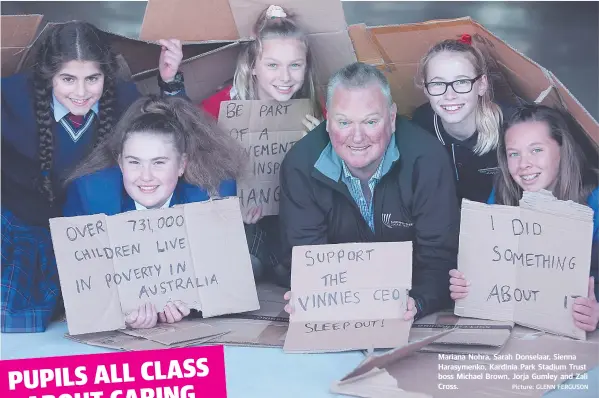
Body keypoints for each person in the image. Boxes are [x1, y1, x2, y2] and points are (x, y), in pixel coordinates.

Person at [1, 21, 185, 333]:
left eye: (93, 79)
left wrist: (170, 83)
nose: (82, 92)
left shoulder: (126, 100)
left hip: (93, 234)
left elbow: (179, 139)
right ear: (49, 77)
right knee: (12, 310)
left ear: (106, 76)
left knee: (103, 307)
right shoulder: (12, 98)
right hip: (24, 227)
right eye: (68, 79)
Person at [280, 62, 460, 321]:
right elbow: (303, 256)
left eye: (371, 121)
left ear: (392, 118)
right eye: (344, 122)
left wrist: (418, 301)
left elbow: (440, 255)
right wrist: (310, 293)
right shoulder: (300, 166)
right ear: (328, 120)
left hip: (408, 301)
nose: (357, 136)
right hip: (337, 303)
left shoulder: (427, 160)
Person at [63, 95, 248, 328]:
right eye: (134, 162)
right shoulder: (91, 195)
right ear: (120, 163)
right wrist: (119, 313)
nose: (146, 176)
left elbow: (226, 283)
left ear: (182, 165)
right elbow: (78, 285)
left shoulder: (212, 194)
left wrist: (194, 306)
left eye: (159, 162)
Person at [200, 4, 324, 286]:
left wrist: (323, 148)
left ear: (306, 67)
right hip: (241, 225)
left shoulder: (317, 111)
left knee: (297, 273)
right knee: (244, 268)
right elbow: (191, 169)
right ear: (252, 66)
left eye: (295, 65)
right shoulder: (219, 109)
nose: (285, 77)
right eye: (272, 65)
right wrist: (226, 206)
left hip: (295, 225)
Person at [449, 104, 599, 332]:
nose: (523, 164)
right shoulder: (502, 194)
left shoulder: (594, 200)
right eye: (514, 154)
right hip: (520, 330)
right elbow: (489, 267)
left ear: (562, 149)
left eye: (536, 150)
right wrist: (467, 286)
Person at [411, 34, 514, 204]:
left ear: (481, 85)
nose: (450, 95)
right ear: (426, 89)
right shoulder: (422, 125)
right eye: (438, 84)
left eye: (461, 82)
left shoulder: (510, 125)